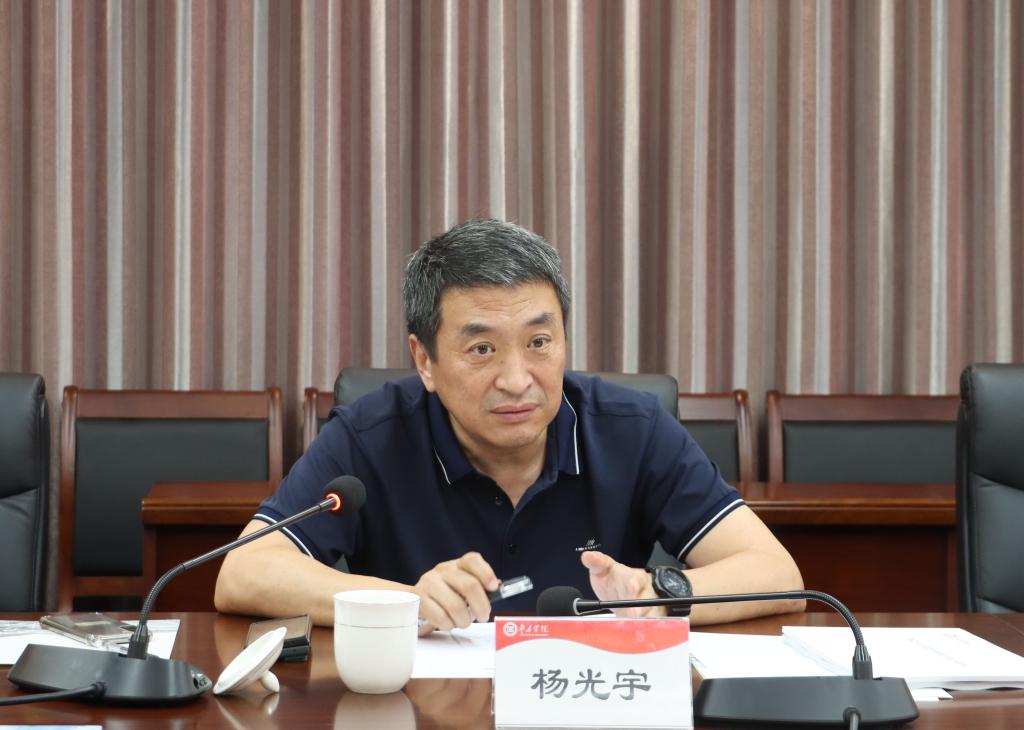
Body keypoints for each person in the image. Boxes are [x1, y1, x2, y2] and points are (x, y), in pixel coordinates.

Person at [215, 218, 804, 629]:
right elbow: (244, 571)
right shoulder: (371, 435)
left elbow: (777, 573)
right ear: (425, 360)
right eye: (482, 350)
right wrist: (406, 602)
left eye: (539, 342)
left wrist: (654, 596)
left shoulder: (632, 428)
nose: (518, 380)